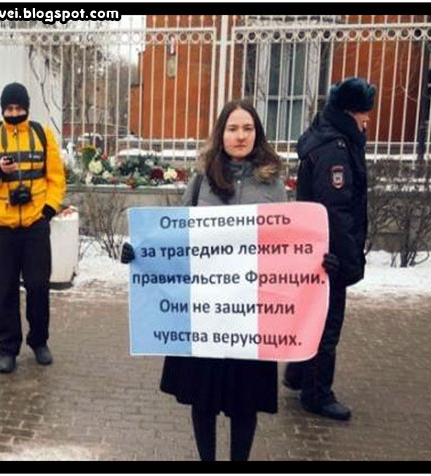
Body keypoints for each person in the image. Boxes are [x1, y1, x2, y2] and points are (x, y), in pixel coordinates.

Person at [122, 99, 336, 460]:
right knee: (202, 400)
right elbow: (177, 238)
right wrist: (142, 253)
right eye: (233, 128)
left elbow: (288, 247)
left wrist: (318, 261)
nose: (240, 136)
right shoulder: (203, 180)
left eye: (248, 128)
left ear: (258, 134)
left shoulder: (273, 185)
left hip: (251, 315)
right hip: (206, 312)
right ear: (221, 134)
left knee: (245, 403)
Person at [283, 77, 376, 421]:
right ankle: (317, 393)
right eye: (364, 114)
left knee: (312, 313)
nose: (367, 121)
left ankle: (297, 374)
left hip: (317, 250)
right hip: (329, 255)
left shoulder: (325, 140)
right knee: (327, 320)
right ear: (350, 112)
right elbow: (335, 211)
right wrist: (350, 260)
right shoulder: (334, 149)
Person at [0, 82, 66, 374]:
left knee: (38, 286)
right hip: (2, 227)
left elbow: (56, 177)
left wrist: (48, 210)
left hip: (35, 226)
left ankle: (39, 341)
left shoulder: (42, 134)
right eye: (9, 108)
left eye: (19, 108)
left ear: (26, 108)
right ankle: (8, 348)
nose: (14, 113)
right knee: (6, 290)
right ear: (2, 109)